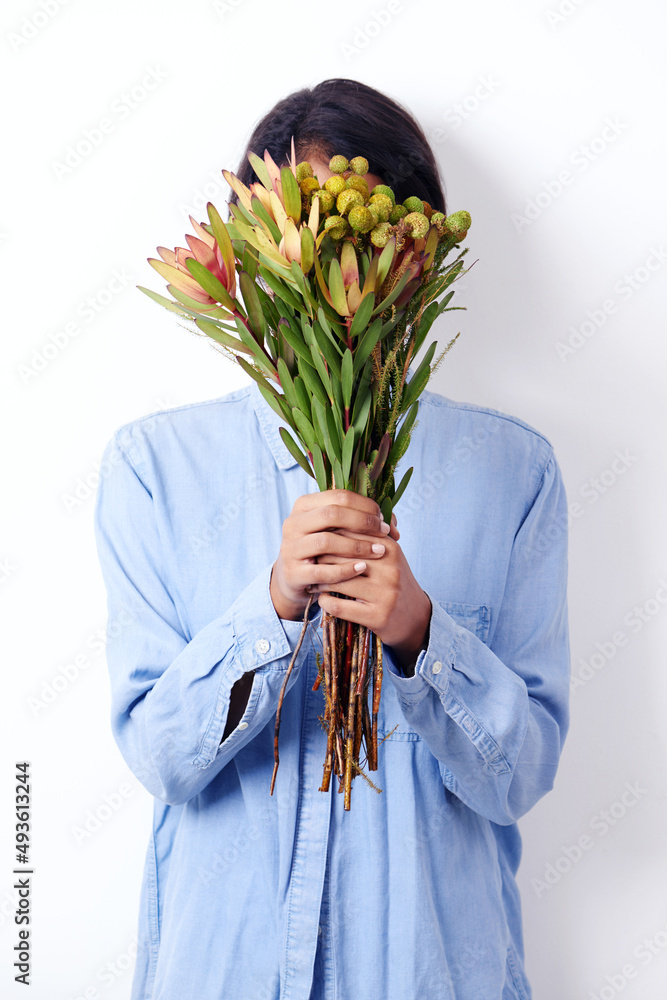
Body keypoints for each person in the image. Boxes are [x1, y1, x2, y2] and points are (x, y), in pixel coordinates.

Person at [94, 79, 571, 1000]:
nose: (318, 274)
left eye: (349, 237)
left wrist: (421, 634)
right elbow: (159, 759)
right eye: (292, 239)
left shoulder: (513, 471)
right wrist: (272, 605)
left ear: (416, 249)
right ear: (246, 253)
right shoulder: (156, 466)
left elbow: (523, 777)